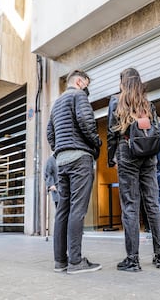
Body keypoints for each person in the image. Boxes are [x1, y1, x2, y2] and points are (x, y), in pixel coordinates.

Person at [107, 67, 160, 272]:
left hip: (127, 153)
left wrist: (110, 158)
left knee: (130, 206)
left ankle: (133, 260)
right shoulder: (148, 104)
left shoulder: (116, 102)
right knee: (152, 204)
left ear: (123, 82)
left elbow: (111, 133)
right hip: (149, 156)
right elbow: (155, 130)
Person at [47, 69, 102, 275]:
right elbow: (87, 123)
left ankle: (60, 261)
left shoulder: (56, 103)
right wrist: (96, 144)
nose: (88, 88)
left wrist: (60, 149)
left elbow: (49, 132)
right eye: (87, 83)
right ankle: (76, 262)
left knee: (63, 210)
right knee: (78, 210)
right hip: (80, 158)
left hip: (61, 161)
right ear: (80, 82)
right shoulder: (79, 96)